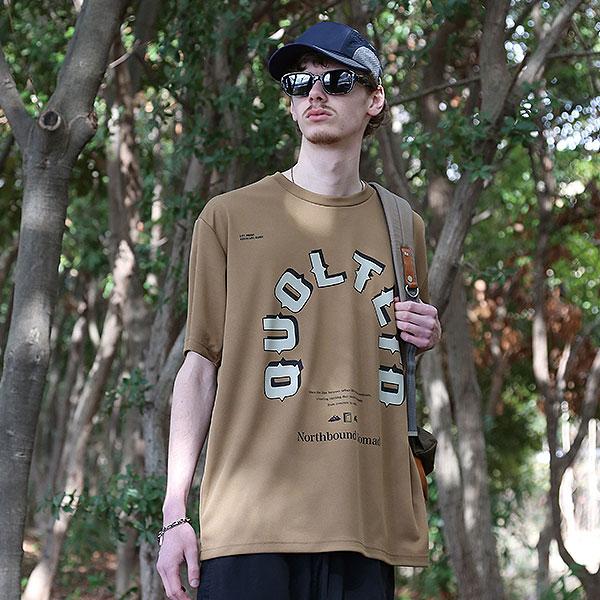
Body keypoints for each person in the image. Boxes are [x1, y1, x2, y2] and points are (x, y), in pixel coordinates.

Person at [157, 20, 441, 600]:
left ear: (374, 99)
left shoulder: (402, 226)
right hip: (248, 524)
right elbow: (200, 364)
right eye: (299, 82)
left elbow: (383, 356)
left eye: (336, 81)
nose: (315, 93)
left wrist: (420, 332)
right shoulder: (228, 218)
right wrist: (175, 512)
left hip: (362, 524)